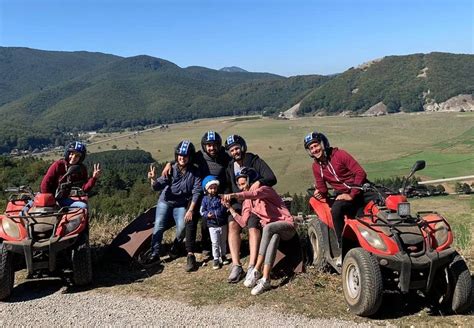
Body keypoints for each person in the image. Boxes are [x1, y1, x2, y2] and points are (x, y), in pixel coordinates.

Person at [222, 167, 295, 295]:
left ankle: (256, 269)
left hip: (287, 227)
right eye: (239, 185)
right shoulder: (247, 203)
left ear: (251, 181)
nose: (241, 187)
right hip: (274, 231)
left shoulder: (265, 190)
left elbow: (253, 194)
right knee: (274, 236)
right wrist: (230, 209)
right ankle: (266, 279)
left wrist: (234, 195)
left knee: (268, 227)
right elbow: (243, 222)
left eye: (243, 184)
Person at [162, 131, 231, 264]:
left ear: (219, 145)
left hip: (217, 194)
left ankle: (208, 246)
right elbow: (183, 158)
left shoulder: (224, 157)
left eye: (214, 145)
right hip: (200, 193)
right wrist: (169, 163)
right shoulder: (199, 156)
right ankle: (190, 252)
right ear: (204, 146)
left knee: (209, 219)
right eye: (208, 145)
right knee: (191, 218)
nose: (212, 148)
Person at [303, 131, 368, 265]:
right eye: (311, 148)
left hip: (359, 190)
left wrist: (351, 194)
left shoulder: (340, 155)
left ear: (323, 144)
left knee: (384, 205)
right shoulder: (316, 167)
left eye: (316, 145)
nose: (315, 150)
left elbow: (360, 173)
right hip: (344, 195)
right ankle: (343, 250)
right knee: (336, 211)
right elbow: (323, 188)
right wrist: (319, 191)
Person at [224, 134, 277, 283]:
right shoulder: (230, 167)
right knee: (232, 224)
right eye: (232, 150)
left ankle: (252, 266)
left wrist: (259, 182)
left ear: (242, 147)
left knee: (253, 226)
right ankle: (236, 265)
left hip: (255, 202)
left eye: (236, 148)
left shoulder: (254, 161)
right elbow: (228, 185)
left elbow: (271, 178)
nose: (235, 152)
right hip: (238, 202)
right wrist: (228, 197)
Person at [147, 140, 202, 269]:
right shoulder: (171, 169)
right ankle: (154, 253)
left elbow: (197, 192)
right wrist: (153, 179)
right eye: (179, 155)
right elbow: (157, 186)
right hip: (165, 201)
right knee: (159, 225)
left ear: (190, 157)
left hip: (181, 204)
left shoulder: (195, 172)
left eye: (185, 155)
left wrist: (191, 210)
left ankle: (176, 247)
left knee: (182, 227)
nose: (182, 158)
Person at [40, 141, 101, 209]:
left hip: (63, 199)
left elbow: (84, 189)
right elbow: (45, 184)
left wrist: (94, 178)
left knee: (83, 206)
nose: (73, 157)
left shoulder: (81, 169)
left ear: (81, 158)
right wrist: (50, 201)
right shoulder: (58, 165)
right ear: (67, 153)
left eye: (77, 155)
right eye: (72, 154)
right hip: (49, 198)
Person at [199, 175, 229, 269]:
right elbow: (201, 211)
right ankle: (216, 258)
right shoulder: (205, 200)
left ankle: (223, 256)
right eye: (211, 188)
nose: (213, 190)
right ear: (206, 189)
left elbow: (224, 208)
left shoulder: (220, 197)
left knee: (223, 241)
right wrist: (207, 214)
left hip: (222, 223)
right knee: (215, 242)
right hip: (212, 224)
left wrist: (225, 206)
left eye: (215, 188)